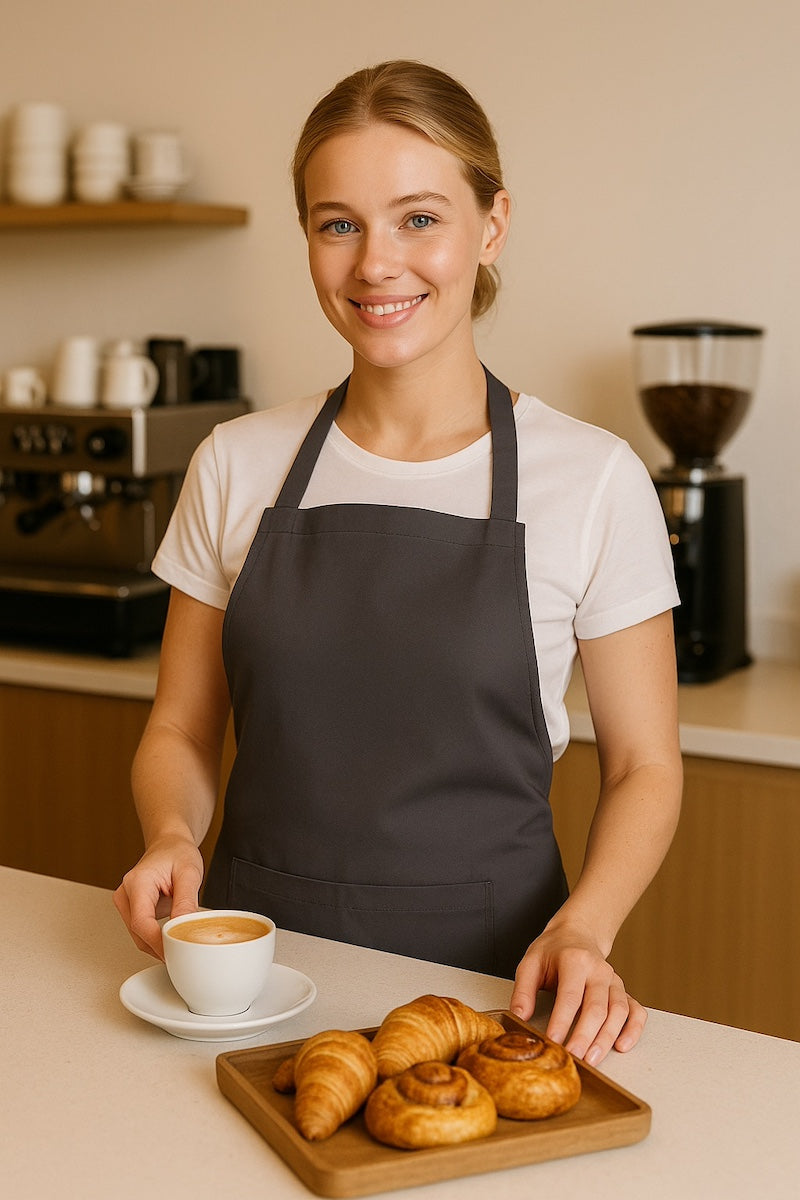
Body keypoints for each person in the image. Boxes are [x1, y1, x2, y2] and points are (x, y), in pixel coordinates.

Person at [114, 60, 682, 1067]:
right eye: (338, 224)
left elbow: (643, 767)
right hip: (250, 978)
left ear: (490, 225)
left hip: (491, 989)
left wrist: (584, 928)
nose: (376, 262)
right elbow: (179, 727)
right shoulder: (235, 464)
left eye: (418, 218)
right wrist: (169, 834)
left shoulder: (590, 480)